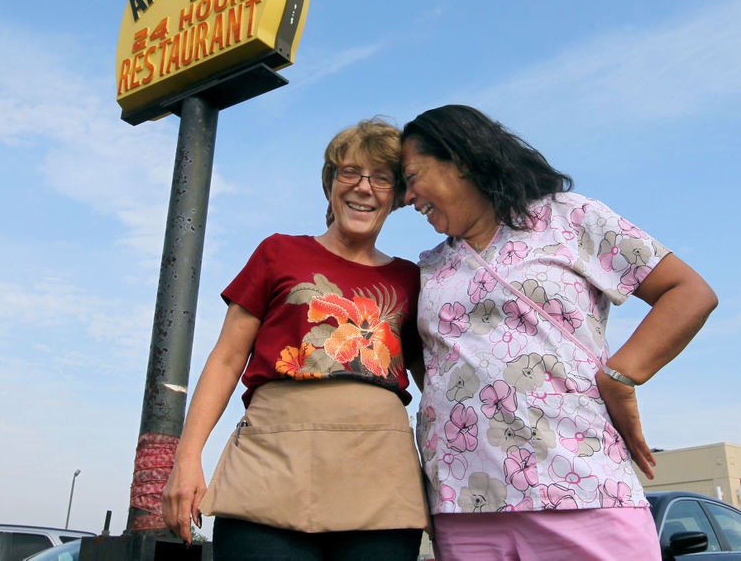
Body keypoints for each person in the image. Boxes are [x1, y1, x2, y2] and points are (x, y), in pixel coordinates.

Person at [400, 105, 717, 560]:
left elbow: (688, 292)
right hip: (465, 505)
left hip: (580, 486)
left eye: (412, 177)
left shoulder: (568, 217)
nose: (408, 197)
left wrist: (622, 375)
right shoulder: (429, 266)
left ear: (461, 158)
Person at [162, 118, 430, 560]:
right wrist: (187, 458)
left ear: (398, 196)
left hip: (380, 479)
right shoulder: (278, 252)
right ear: (330, 184)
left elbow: (435, 386)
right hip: (270, 467)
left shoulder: (412, 279)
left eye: (382, 178)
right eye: (350, 172)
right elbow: (227, 359)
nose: (364, 188)